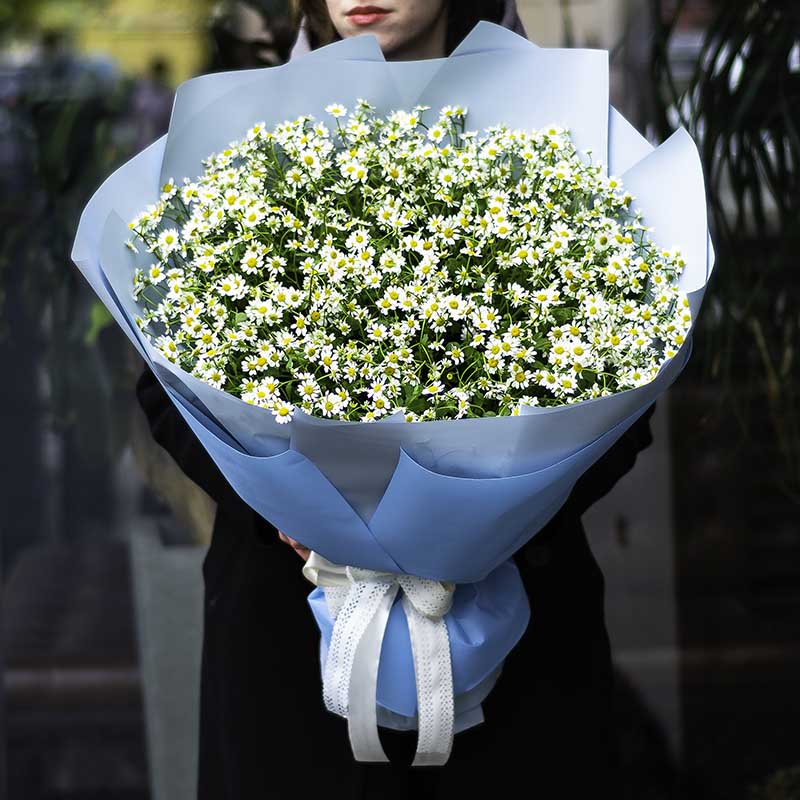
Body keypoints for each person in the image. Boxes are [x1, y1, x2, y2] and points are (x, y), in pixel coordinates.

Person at [135, 1, 658, 796]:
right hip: (289, 637)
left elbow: (631, 386)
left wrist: (494, 512)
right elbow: (165, 387)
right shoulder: (238, 132)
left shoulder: (559, 131)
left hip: (519, 633)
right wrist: (292, 511)